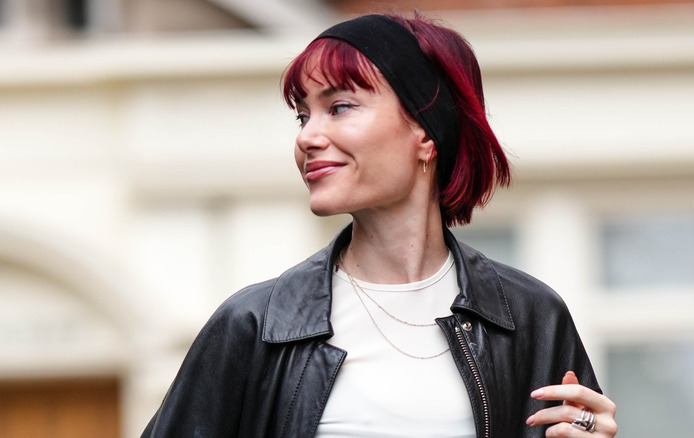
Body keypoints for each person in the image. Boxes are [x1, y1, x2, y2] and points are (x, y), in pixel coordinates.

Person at [142, 12, 618, 438]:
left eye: (340, 106)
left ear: (426, 132)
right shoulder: (257, 325)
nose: (308, 136)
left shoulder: (528, 317)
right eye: (303, 115)